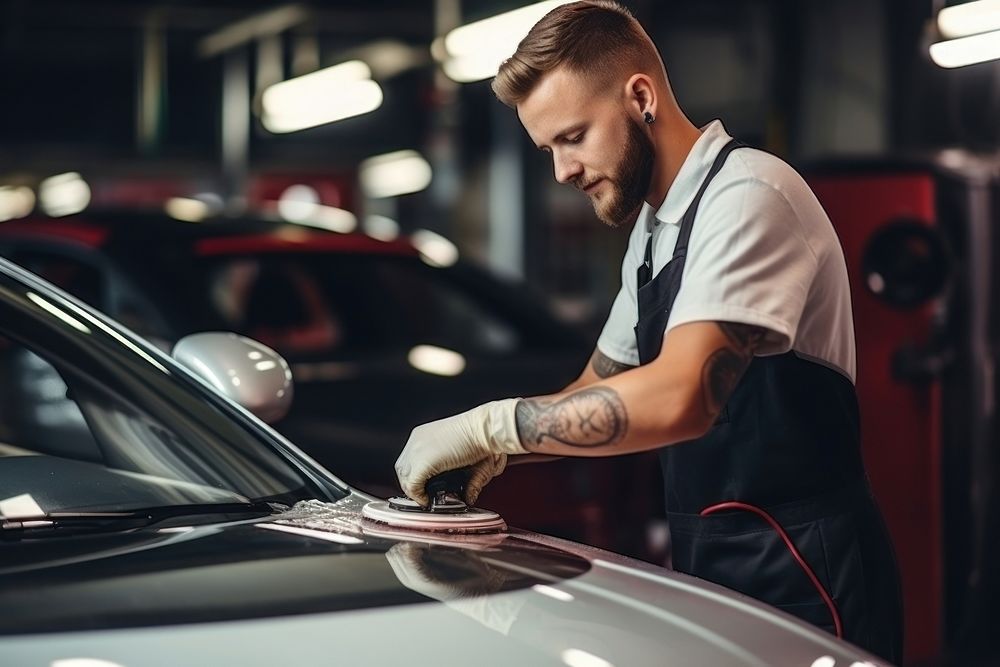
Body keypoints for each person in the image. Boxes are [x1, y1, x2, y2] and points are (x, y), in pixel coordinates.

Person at [395, 1, 903, 660]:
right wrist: (497, 454)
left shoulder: (749, 196)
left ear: (640, 96)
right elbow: (598, 389)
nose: (562, 172)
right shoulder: (654, 229)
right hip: (716, 565)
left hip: (809, 575)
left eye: (573, 136)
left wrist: (494, 423)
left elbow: (681, 396)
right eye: (547, 149)